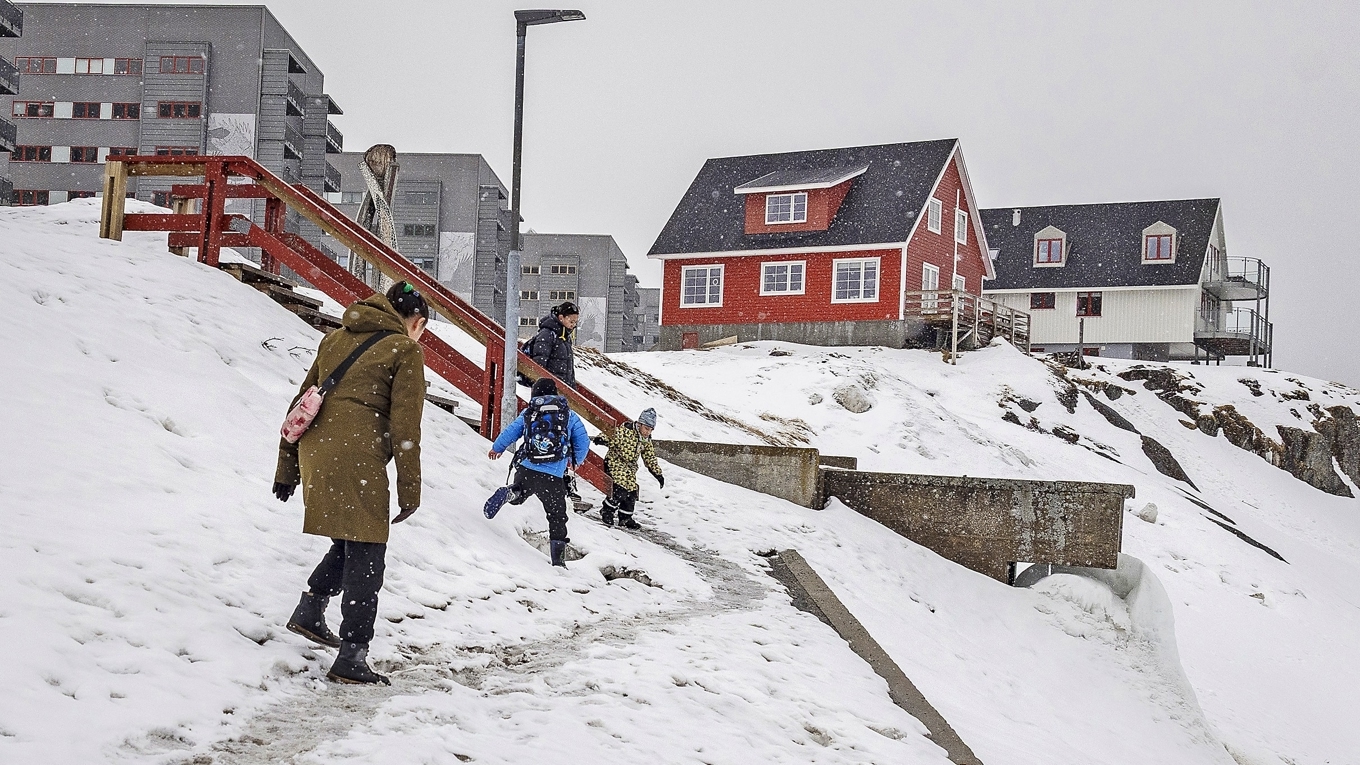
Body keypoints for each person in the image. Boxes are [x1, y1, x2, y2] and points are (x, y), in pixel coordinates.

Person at [273, 281, 429, 686]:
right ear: (417, 321)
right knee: (368, 553)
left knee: (349, 537)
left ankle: (310, 609)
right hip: (356, 455)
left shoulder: (335, 339)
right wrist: (410, 489)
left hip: (317, 449)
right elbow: (405, 426)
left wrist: (286, 467)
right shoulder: (405, 349)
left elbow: (301, 404)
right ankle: (352, 656)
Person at [486, 377, 591, 567]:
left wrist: (497, 448)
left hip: (527, 467)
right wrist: (574, 461)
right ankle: (558, 562)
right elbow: (583, 442)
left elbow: (512, 431)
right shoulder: (569, 415)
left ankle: (512, 492)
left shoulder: (530, 412)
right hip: (553, 476)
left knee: (521, 493)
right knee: (557, 517)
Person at [593, 408, 664, 529]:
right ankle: (607, 511)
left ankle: (625, 518)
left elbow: (649, 457)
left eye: (651, 429)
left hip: (629, 468)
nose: (648, 432)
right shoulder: (625, 431)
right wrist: (602, 439)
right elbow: (611, 434)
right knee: (620, 489)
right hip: (615, 463)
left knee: (631, 492)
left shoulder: (645, 440)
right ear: (639, 424)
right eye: (646, 428)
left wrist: (658, 474)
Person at [525, 301, 580, 389]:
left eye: (576, 322)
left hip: (562, 388)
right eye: (571, 321)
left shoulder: (564, 336)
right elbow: (539, 362)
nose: (573, 325)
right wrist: (544, 386)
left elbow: (568, 367)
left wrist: (572, 387)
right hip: (550, 389)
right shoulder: (547, 334)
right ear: (561, 317)